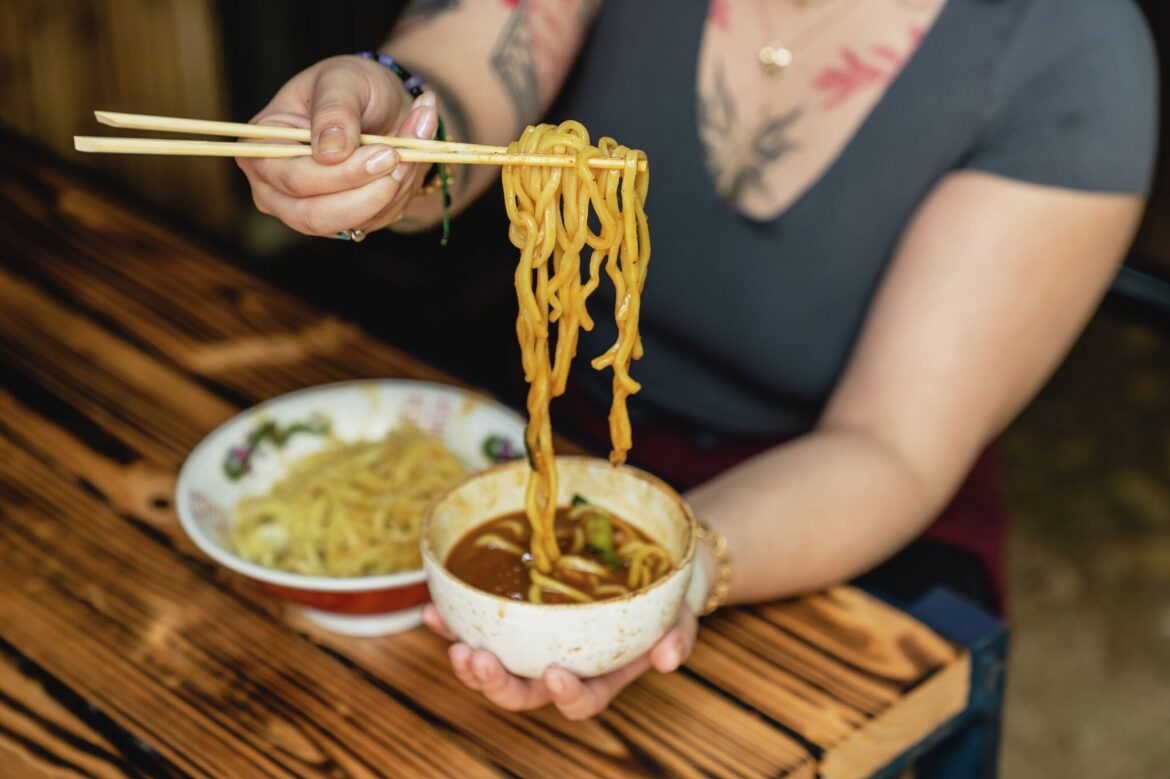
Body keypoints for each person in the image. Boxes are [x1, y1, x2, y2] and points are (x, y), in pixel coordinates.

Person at [237, 0, 1158, 721]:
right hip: (577, 445)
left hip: (849, 514)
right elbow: (460, 82)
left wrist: (665, 582)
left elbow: (892, 444)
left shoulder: (1070, 52)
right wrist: (386, 140)